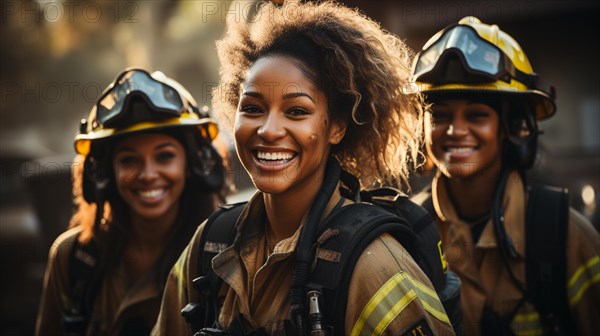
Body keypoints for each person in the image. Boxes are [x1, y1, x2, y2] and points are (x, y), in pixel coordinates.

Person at [153, 1, 455, 335]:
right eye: (252, 108)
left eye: (296, 111)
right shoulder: (210, 242)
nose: (268, 130)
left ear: (337, 127)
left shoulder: (374, 265)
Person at [410, 16, 600, 335]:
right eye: (439, 116)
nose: (456, 130)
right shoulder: (408, 232)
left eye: (477, 115)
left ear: (513, 128)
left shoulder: (566, 235)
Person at [36, 67, 227, 335]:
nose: (148, 175)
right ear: (104, 174)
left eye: (164, 156)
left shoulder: (223, 258)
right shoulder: (72, 258)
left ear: (193, 165)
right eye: (129, 160)